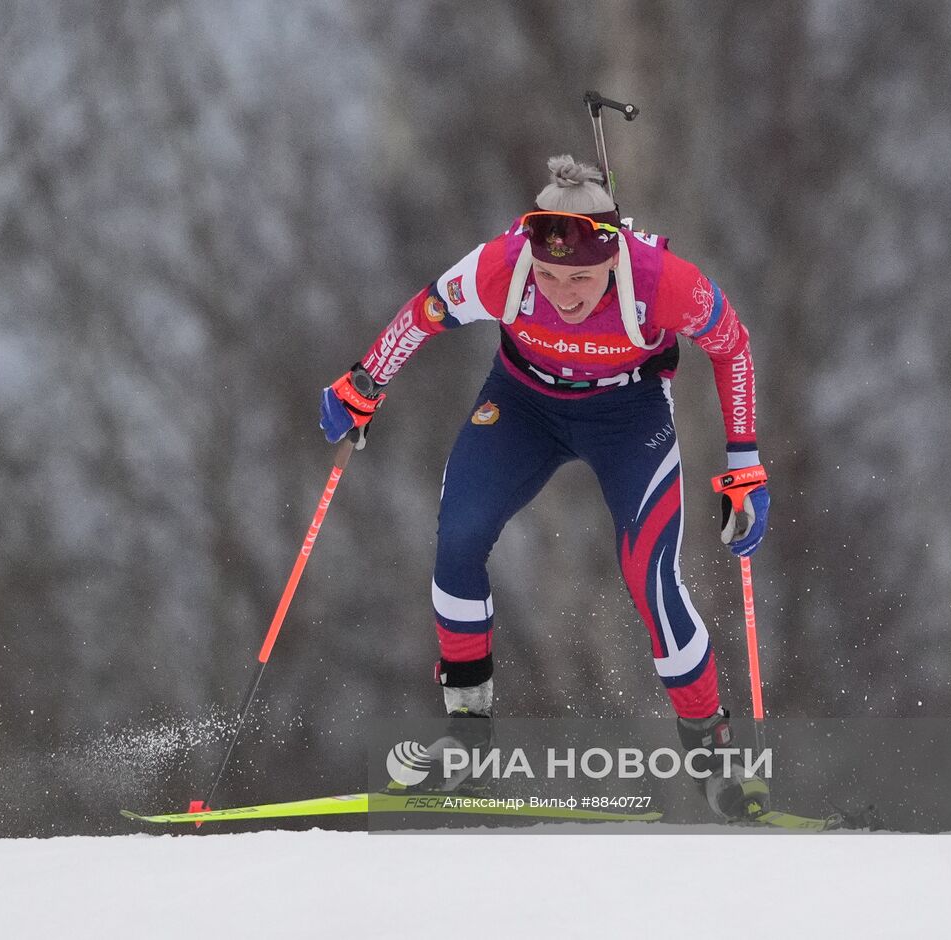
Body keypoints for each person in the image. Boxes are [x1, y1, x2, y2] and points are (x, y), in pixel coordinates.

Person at [318, 155, 771, 820]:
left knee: (651, 578)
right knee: (459, 537)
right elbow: (424, 313)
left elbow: (732, 346)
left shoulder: (661, 282)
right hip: (522, 406)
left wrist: (745, 465)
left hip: (629, 414)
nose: (564, 291)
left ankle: (715, 757)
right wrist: (365, 382)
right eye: (551, 275)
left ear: (612, 257)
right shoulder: (500, 267)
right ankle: (466, 737)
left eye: (582, 277)